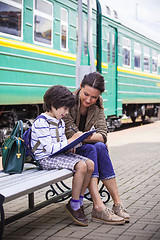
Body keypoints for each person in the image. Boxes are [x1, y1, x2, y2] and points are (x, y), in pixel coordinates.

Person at [63, 72, 130, 225]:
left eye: (93, 97)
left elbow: (103, 134)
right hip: (70, 150)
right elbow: (70, 132)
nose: (89, 100)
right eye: (86, 94)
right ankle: (98, 206)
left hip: (86, 148)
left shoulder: (98, 104)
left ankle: (117, 203)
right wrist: (88, 137)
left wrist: (83, 137)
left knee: (99, 146)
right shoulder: (69, 102)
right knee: (96, 147)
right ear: (80, 87)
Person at [31, 85, 94, 226]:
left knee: (90, 164)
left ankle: (79, 200)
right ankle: (74, 205)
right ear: (53, 105)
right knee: (81, 166)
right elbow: (49, 149)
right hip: (45, 159)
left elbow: (59, 144)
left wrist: (72, 144)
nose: (66, 112)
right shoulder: (42, 122)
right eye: (64, 108)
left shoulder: (59, 121)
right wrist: (70, 141)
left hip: (56, 155)